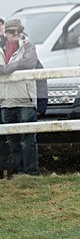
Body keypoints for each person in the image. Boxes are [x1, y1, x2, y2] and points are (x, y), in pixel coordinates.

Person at [0, 19, 40, 175]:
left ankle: (30, 173)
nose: (16, 34)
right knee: (13, 142)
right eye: (11, 31)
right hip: (5, 100)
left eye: (18, 30)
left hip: (25, 100)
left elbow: (28, 63)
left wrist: (5, 69)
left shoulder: (28, 46)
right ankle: (18, 173)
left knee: (27, 140)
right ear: (6, 33)